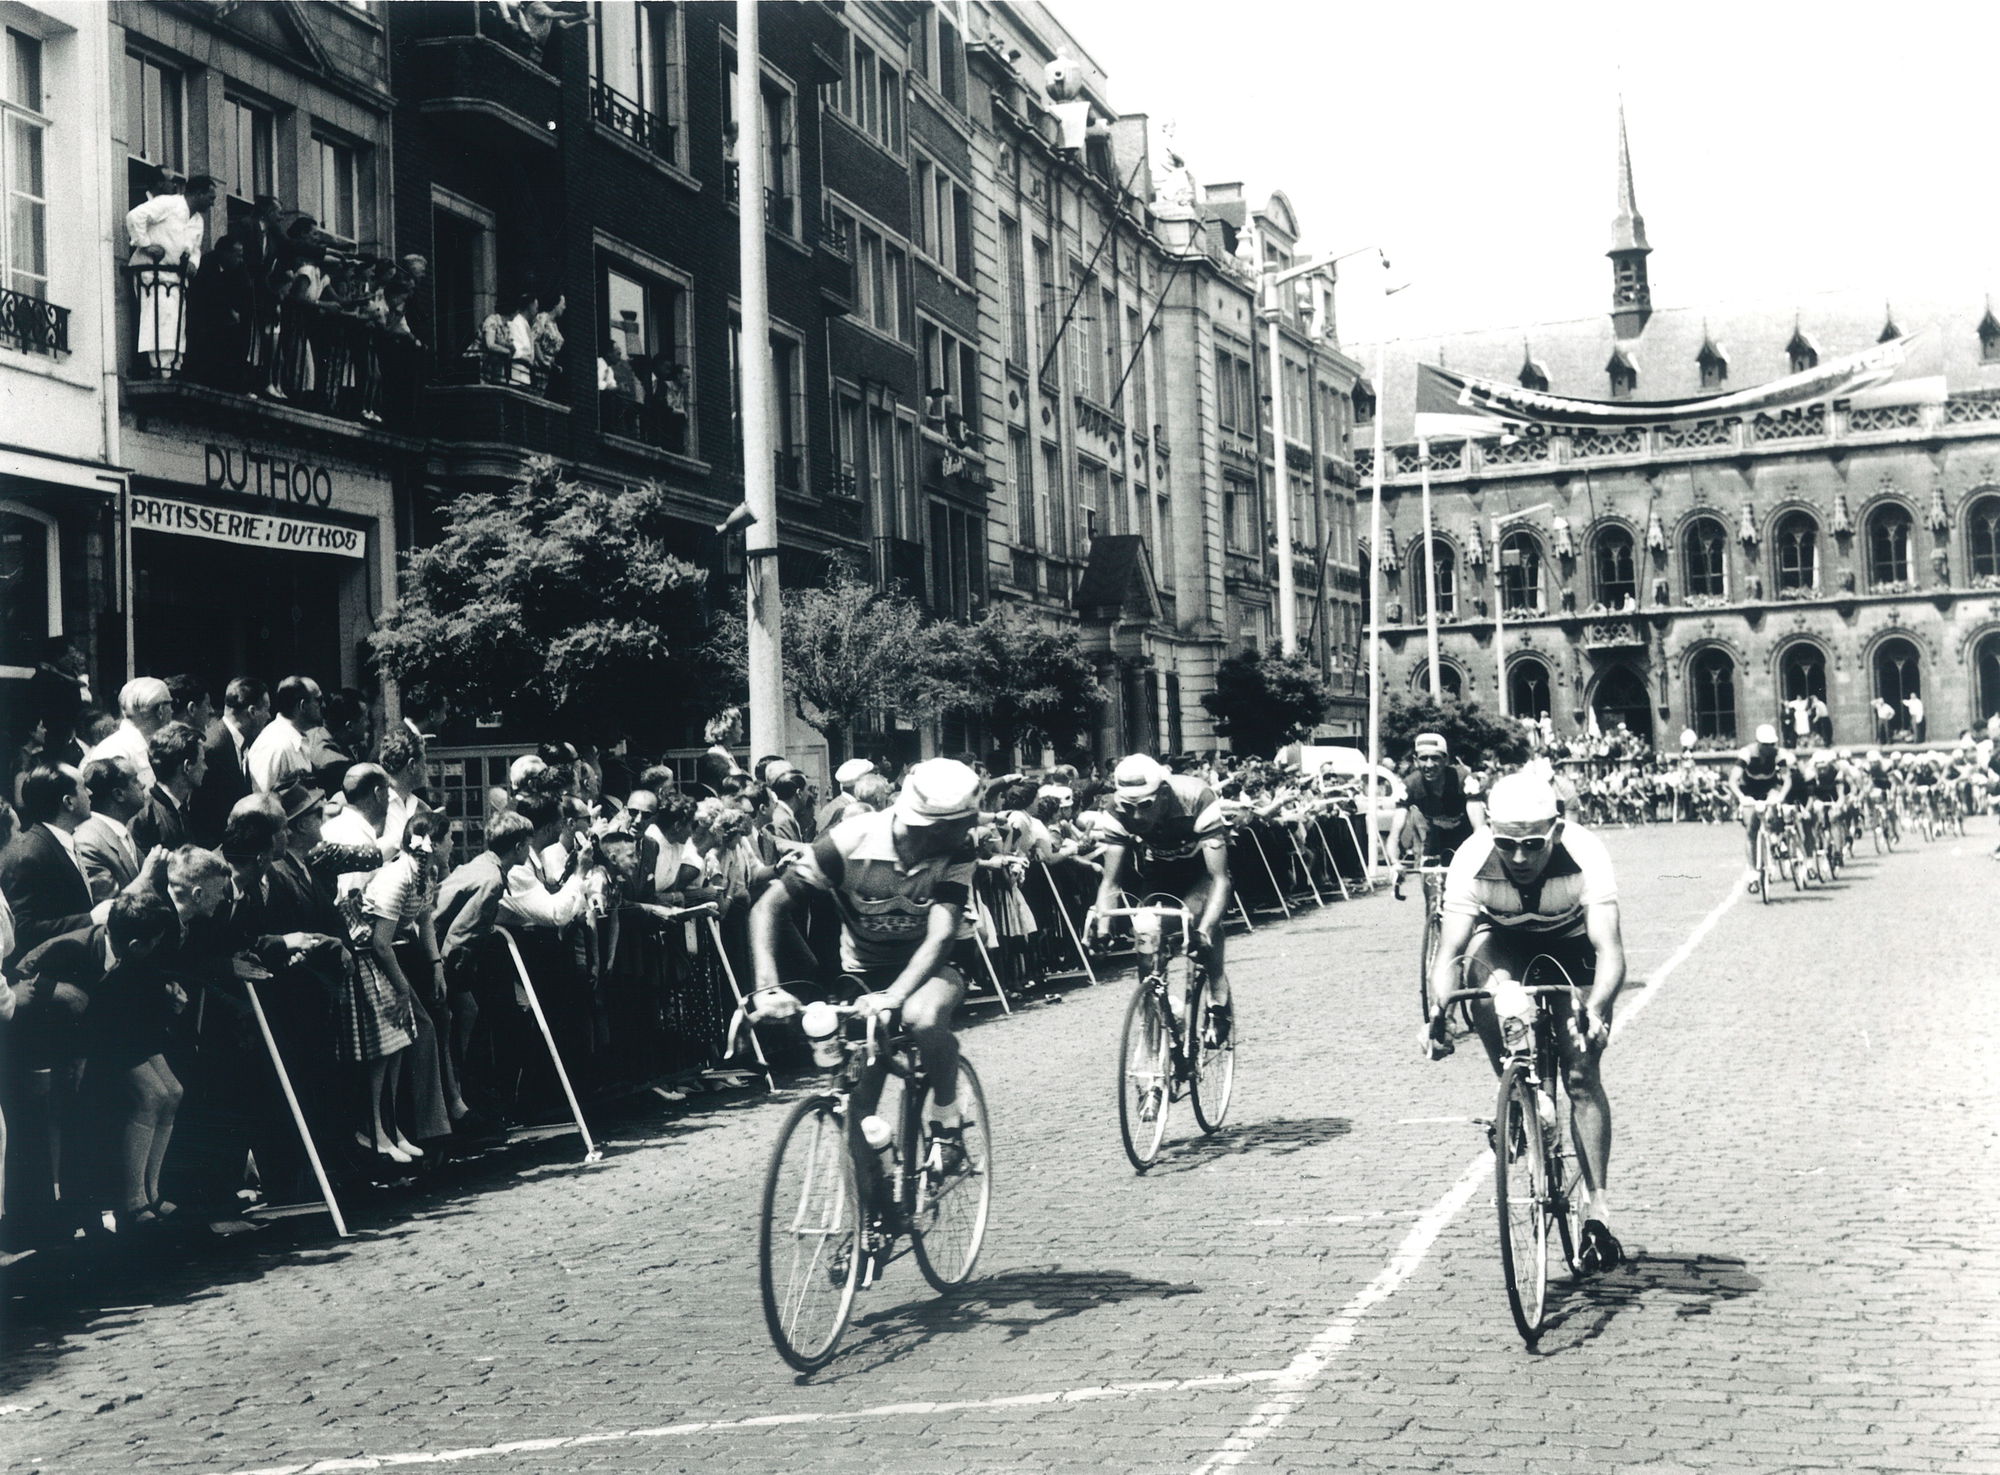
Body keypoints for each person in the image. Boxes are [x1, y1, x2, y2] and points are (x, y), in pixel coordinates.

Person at [1422, 771, 1626, 1274]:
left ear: (1555, 831)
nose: (1519, 857)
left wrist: (1595, 1010)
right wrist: (1438, 1013)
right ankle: (1517, 1090)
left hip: (1573, 946)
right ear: (1490, 830)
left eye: (1532, 844)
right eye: (1507, 844)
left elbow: (1611, 953)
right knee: (1481, 982)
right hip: (1505, 942)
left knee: (1580, 1074)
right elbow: (1447, 954)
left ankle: (1598, 1210)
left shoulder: (1586, 854)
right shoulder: (1471, 860)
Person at [748, 758, 984, 1152]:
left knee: (922, 1019)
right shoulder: (845, 843)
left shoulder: (960, 849)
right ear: (938, 825)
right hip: (865, 967)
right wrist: (767, 989)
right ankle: (878, 1204)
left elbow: (941, 936)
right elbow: (768, 908)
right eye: (965, 824)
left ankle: (947, 1113)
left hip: (939, 961)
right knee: (856, 1112)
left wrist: (894, 996)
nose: (971, 831)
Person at [1087, 753, 1234, 1037]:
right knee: (1146, 931)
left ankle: (1217, 994)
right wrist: (1103, 927)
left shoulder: (1196, 797)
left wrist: (1204, 931)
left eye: (1145, 806)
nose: (1137, 816)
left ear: (1163, 794)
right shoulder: (1115, 812)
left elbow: (1219, 879)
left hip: (1200, 870)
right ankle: (1161, 1016)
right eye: (1129, 807)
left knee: (1197, 922)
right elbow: (1110, 881)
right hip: (1160, 870)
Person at [1388, 732, 1482, 900]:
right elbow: (1395, 833)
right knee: (1432, 895)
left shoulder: (1463, 779)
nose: (1429, 765)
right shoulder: (1410, 785)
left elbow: (1479, 829)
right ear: (1416, 760)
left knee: (1466, 895)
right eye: (1423, 758)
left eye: (1435, 758)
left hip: (1465, 837)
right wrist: (1395, 863)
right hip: (1435, 838)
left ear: (1446, 760)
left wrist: (1479, 858)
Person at [1730, 723, 1796, 892]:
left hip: (1769, 788)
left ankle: (1775, 838)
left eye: (1771, 744)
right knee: (1751, 830)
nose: (1769, 748)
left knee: (1774, 805)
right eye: (1765, 745)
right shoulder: (1747, 754)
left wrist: (1781, 797)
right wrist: (1741, 798)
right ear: (1758, 743)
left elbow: (1787, 779)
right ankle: (1753, 873)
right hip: (1748, 791)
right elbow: (1733, 780)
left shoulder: (1779, 754)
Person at [84, 677, 174, 794]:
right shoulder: (114, 750)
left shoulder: (143, 745)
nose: (172, 711)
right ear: (160, 710)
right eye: (170, 704)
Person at [248, 676, 321, 794]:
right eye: (319, 700)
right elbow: (261, 801)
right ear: (302, 705)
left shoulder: (296, 739)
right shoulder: (275, 745)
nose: (323, 706)